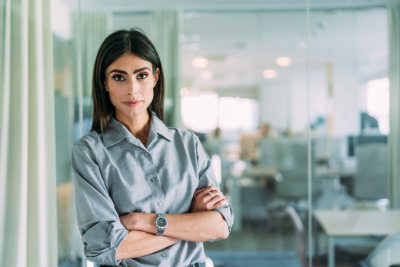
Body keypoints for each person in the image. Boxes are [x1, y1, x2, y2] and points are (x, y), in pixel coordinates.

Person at [71, 28, 233, 267]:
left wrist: (142, 222)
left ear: (155, 77)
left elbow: (220, 225)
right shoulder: (90, 152)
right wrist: (190, 223)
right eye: (119, 77)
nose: (132, 89)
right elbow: (105, 247)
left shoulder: (188, 145)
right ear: (104, 83)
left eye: (142, 75)